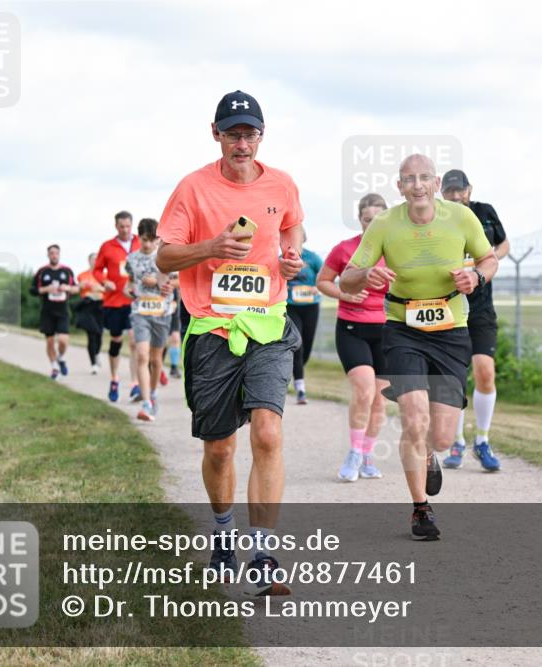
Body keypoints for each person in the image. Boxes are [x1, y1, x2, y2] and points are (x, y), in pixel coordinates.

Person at [157, 90, 304, 595]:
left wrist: (291, 255)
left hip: (267, 324)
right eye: (233, 133)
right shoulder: (193, 188)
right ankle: (223, 537)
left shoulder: (282, 184)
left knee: (267, 433)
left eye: (250, 133)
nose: (242, 143)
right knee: (219, 449)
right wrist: (211, 248)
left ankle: (263, 553)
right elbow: (164, 258)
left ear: (261, 136)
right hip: (212, 328)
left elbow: (292, 226)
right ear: (215, 133)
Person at [341, 154, 498, 541]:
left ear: (435, 182)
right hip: (402, 328)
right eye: (409, 179)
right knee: (414, 418)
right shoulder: (384, 224)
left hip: (450, 330)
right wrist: (368, 273)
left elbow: (489, 259)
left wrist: (476, 276)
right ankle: (420, 509)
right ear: (399, 186)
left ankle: (429, 454)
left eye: (424, 178)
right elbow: (347, 280)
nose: (417, 185)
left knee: (441, 436)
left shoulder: (461, 218)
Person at [440, 169, 511, 472]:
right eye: (450, 191)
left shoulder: (485, 212)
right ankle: (457, 442)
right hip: (449, 308)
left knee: (485, 371)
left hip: (481, 308)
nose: (456, 196)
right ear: (442, 194)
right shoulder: (437, 218)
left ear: (469, 189)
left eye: (460, 190)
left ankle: (482, 440)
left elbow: (505, 244)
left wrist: (488, 259)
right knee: (455, 379)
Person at [317, 193, 390, 482]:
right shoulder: (344, 249)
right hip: (352, 328)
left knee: (380, 400)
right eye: (367, 220)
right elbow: (322, 281)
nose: (372, 225)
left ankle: (368, 454)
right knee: (364, 390)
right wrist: (345, 293)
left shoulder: (395, 250)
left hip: (386, 331)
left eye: (378, 220)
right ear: (360, 220)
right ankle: (354, 453)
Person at [124, 218, 173, 422]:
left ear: (158, 239)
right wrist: (128, 291)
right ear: (139, 237)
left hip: (162, 312)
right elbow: (128, 284)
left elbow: (179, 279)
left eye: (152, 240)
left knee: (155, 359)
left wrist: (167, 284)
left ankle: (152, 393)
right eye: (144, 239)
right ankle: (145, 403)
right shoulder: (132, 259)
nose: (147, 244)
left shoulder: (166, 257)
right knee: (142, 356)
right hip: (140, 312)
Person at [94, 211, 141, 402]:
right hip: (113, 300)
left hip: (136, 300)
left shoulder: (140, 243)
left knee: (134, 340)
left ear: (132, 225)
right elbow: (97, 270)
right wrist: (105, 281)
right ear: (116, 226)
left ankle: (135, 383)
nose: (125, 229)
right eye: (121, 226)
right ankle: (114, 378)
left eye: (128, 226)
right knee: (116, 339)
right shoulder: (107, 246)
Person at [30, 244, 78, 379]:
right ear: (48, 255)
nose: (54, 255)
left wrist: (66, 288)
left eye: (56, 253)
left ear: (59, 254)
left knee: (63, 340)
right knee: (50, 341)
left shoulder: (67, 271)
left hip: (62, 311)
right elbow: (32, 290)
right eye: (51, 253)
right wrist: (46, 289)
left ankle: (60, 358)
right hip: (47, 311)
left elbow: (75, 289)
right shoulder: (42, 272)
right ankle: (54, 367)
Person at [286, 236, 322, 404]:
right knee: (297, 344)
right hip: (290, 307)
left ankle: (293, 371)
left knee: (306, 348)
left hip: (310, 307)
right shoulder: (282, 259)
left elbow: (324, 279)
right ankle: (301, 389)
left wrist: (317, 287)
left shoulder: (313, 258)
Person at [76, 253, 106, 373]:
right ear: (89, 261)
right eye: (93, 259)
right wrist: (80, 286)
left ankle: (97, 353)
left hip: (100, 305)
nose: (95, 261)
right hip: (87, 305)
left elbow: (109, 289)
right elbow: (77, 288)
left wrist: (99, 288)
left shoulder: (104, 275)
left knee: (99, 333)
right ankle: (93, 363)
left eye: (97, 259)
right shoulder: (82, 275)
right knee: (92, 334)